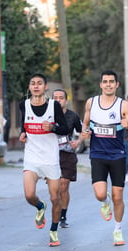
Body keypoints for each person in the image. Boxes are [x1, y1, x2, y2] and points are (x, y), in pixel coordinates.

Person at [81, 70, 128, 246]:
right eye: (105, 81)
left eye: (111, 82)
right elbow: (85, 125)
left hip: (117, 156)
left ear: (117, 85)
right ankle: (104, 202)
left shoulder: (123, 106)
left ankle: (117, 230)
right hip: (98, 154)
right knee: (100, 194)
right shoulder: (91, 103)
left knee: (118, 196)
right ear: (100, 84)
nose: (108, 84)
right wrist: (84, 133)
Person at [19, 73, 69, 247]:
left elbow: (65, 129)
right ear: (29, 87)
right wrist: (22, 134)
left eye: (39, 83)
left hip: (50, 159)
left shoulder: (54, 106)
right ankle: (40, 207)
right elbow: (23, 125)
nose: (36, 86)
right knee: (29, 194)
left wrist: (53, 127)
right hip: (32, 157)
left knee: (56, 198)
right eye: (33, 83)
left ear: (45, 87)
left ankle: (54, 231)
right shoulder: (24, 105)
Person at [52, 88, 83, 228]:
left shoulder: (73, 116)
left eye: (61, 98)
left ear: (66, 100)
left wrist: (78, 142)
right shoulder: (48, 116)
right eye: (56, 98)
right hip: (51, 154)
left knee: (64, 186)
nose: (58, 100)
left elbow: (84, 131)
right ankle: (55, 212)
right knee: (55, 190)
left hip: (68, 154)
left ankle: (62, 217)